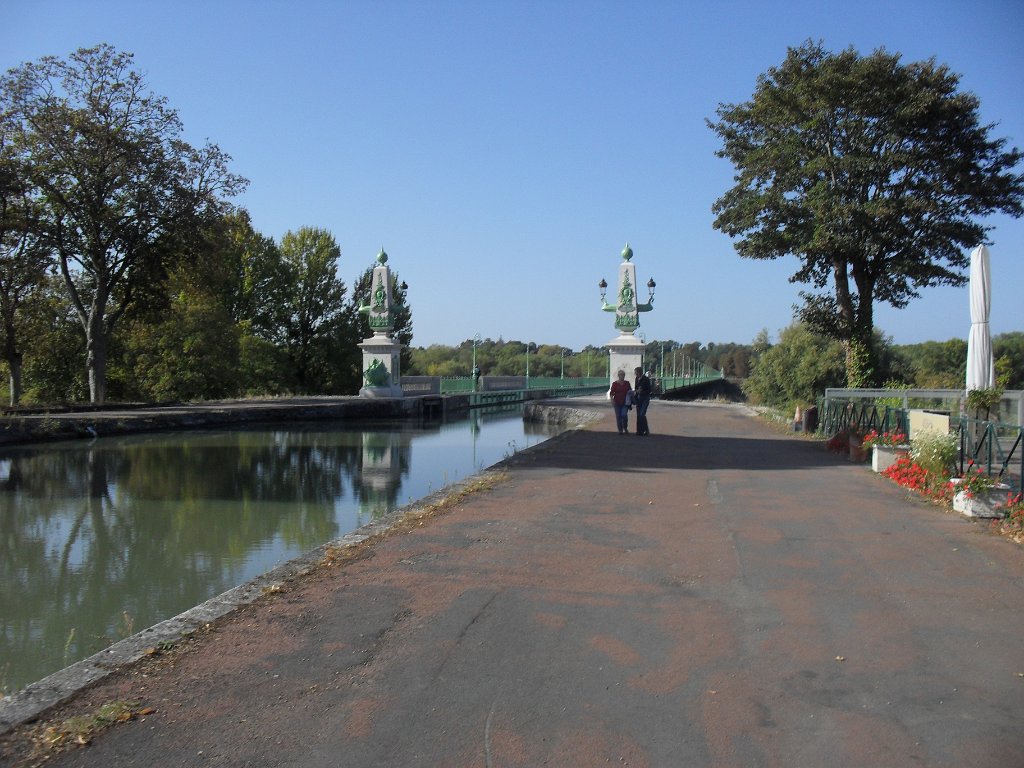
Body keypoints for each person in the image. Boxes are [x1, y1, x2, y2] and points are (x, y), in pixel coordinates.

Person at [608, 370, 632, 435]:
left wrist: (631, 395)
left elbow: (630, 391)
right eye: (620, 374)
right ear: (618, 375)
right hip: (617, 402)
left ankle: (625, 427)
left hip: (625, 402)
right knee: (618, 416)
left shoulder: (627, 383)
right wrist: (612, 400)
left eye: (623, 374)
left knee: (624, 415)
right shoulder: (615, 384)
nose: (622, 376)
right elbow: (612, 393)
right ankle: (620, 430)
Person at [633, 366, 652, 436]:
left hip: (645, 398)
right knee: (639, 415)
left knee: (642, 414)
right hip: (638, 398)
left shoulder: (646, 379)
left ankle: (646, 430)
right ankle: (639, 431)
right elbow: (636, 388)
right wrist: (636, 391)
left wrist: (641, 392)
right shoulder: (636, 379)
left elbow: (649, 390)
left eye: (636, 373)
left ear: (639, 372)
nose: (635, 374)